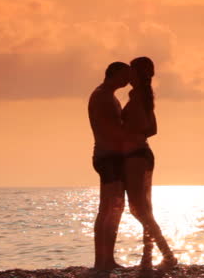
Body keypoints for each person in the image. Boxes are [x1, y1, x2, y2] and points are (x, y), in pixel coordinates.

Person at [121, 56, 178, 271]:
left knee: (139, 209)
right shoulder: (143, 95)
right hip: (142, 153)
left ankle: (167, 255)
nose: (128, 75)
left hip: (136, 155)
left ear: (137, 74)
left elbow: (145, 126)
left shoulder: (138, 97)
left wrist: (125, 130)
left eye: (131, 71)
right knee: (144, 209)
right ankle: (148, 258)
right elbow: (152, 129)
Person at [88, 61, 131, 271]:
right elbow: (111, 129)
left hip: (112, 156)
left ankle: (108, 259)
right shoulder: (102, 96)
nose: (128, 80)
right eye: (125, 75)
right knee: (107, 208)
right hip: (107, 156)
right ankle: (100, 261)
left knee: (115, 208)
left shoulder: (109, 95)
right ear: (113, 73)